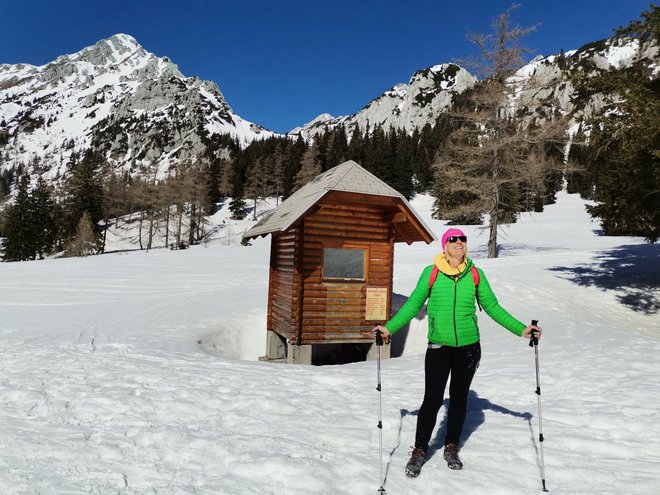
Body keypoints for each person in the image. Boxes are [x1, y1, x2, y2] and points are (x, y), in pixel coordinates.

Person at [372, 227, 541, 478]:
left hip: (469, 348)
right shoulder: (431, 273)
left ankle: (451, 445)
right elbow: (413, 305)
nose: (459, 242)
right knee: (432, 400)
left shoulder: (475, 274)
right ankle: (420, 449)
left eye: (463, 239)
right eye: (453, 239)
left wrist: (521, 329)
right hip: (439, 347)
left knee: (459, 398)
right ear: (445, 245)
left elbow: (492, 307)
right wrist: (389, 328)